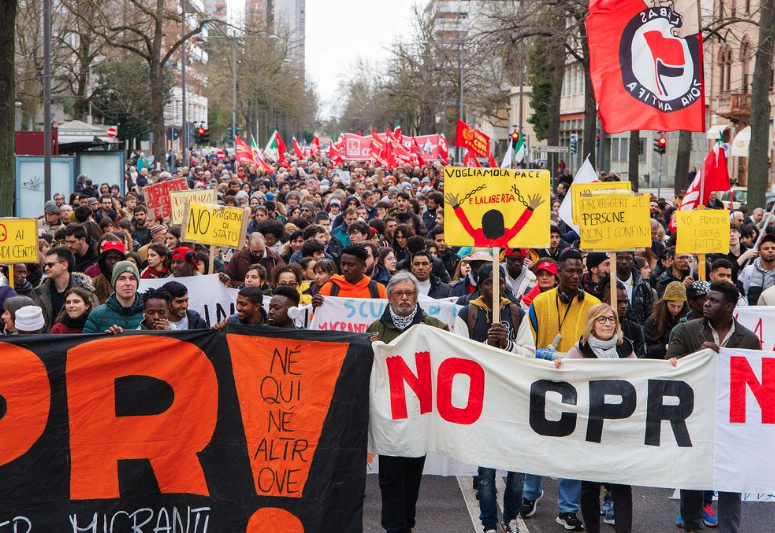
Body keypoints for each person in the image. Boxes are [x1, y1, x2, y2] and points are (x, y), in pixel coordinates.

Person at [667, 281, 760, 533]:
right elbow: (668, 367)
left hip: (732, 418)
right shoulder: (686, 331)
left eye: (714, 300)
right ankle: (691, 525)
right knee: (694, 474)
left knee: (732, 477)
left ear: (729, 306)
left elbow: (754, 383)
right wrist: (698, 356)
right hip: (695, 414)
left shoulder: (749, 339)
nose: (706, 303)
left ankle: (730, 529)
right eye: (706, 298)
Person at [451, 263, 533, 533]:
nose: (493, 288)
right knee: (486, 473)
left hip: (512, 400)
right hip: (483, 401)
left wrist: (508, 345)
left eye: (498, 283)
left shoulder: (517, 313)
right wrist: (487, 345)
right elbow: (458, 354)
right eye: (487, 283)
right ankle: (488, 523)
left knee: (516, 470)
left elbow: (530, 353)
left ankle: (510, 519)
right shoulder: (468, 313)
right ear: (480, 285)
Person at [366, 272, 448, 533]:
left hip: (420, 417)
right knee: (390, 479)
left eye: (409, 293)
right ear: (389, 297)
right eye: (398, 293)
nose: (404, 298)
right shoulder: (375, 329)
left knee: (412, 480)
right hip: (389, 419)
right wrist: (369, 348)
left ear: (416, 296)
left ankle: (407, 523)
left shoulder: (434, 326)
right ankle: (395, 528)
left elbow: (451, 359)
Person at [525, 248, 600, 531]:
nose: (575, 275)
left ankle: (567, 509)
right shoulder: (540, 303)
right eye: (569, 270)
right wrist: (544, 356)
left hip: (577, 386)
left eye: (579, 270)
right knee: (535, 443)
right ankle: (530, 494)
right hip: (541, 381)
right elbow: (526, 343)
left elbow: (602, 342)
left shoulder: (593, 304)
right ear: (558, 272)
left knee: (573, 448)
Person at [557, 303, 635, 533]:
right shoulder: (580, 349)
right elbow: (565, 376)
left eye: (611, 320)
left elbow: (643, 376)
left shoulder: (625, 347)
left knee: (622, 486)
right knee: (590, 485)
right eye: (602, 320)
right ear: (592, 323)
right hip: (590, 429)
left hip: (619, 428)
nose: (608, 323)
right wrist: (559, 366)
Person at [32, 246, 98, 331]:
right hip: (46, 342)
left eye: (50, 265)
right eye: (45, 265)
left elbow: (96, 319)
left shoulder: (84, 291)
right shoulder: (39, 291)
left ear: (64, 265)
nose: (46, 268)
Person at [312, 244, 388, 308]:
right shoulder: (328, 289)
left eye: (351, 265)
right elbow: (316, 321)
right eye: (343, 264)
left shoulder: (378, 290)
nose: (345, 268)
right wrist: (316, 308)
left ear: (363, 266)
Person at [83, 261, 145, 333]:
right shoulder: (97, 315)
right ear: (114, 283)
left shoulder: (150, 312)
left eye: (132, 278)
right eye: (122, 278)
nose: (128, 283)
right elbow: (87, 343)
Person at [599, 278, 646, 357]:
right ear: (605, 302)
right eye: (618, 302)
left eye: (626, 302)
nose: (623, 306)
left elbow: (641, 359)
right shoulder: (596, 329)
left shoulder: (635, 330)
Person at [643, 281, 688, 360]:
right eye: (672, 306)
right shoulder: (653, 321)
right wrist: (665, 347)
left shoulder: (688, 318)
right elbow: (646, 349)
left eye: (679, 306)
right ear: (665, 303)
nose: (676, 310)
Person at [739, 233, 775, 305]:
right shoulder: (748, 271)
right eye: (766, 249)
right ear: (759, 253)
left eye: (773, 248)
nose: (770, 250)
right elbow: (739, 295)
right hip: (753, 315)